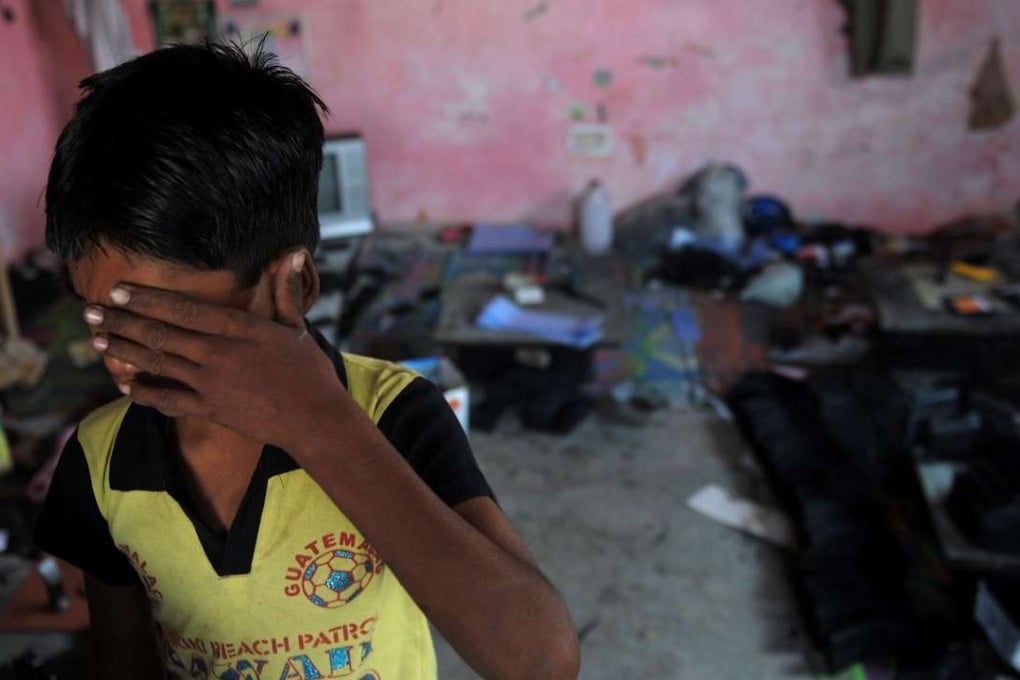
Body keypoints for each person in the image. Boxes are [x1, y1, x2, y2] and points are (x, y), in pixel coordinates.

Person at [33, 43, 579, 680]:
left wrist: (318, 424)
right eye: (104, 320)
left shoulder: (392, 415)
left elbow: (539, 661)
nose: (128, 362)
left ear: (294, 287)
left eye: (163, 329)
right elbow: (121, 659)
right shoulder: (103, 467)